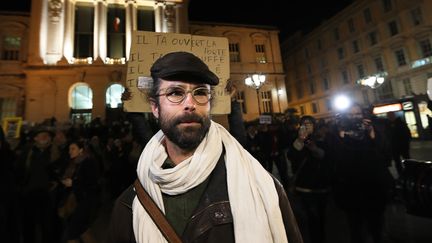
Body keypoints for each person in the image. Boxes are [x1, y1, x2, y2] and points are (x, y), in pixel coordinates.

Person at [107, 51, 303, 243]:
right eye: (175, 92)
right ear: (155, 108)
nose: (190, 103)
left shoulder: (263, 187)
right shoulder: (128, 206)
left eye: (200, 93)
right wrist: (132, 111)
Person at [328, 103, 393, 243]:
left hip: (373, 187)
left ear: (363, 115)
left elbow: (385, 152)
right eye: (351, 114)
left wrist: (371, 133)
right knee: (355, 228)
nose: (354, 117)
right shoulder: (338, 131)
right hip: (351, 189)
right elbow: (334, 156)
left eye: (357, 114)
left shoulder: (373, 128)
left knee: (376, 226)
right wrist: (340, 136)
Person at [287, 116, 331, 243]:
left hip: (321, 187)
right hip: (304, 188)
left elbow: (327, 157)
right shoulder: (296, 140)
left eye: (309, 123)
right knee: (309, 220)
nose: (307, 126)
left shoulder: (322, 138)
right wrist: (300, 141)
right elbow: (291, 156)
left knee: (320, 220)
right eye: (304, 124)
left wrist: (315, 149)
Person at [57, 140, 100, 243]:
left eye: (73, 149)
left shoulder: (88, 162)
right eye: (69, 149)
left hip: (85, 202)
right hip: (76, 202)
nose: (70, 151)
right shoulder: (73, 162)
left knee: (71, 233)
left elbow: (92, 183)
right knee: (82, 231)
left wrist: (73, 183)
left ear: (81, 150)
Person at [386, 111, 411, 178]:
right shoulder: (388, 125)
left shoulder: (400, 123)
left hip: (402, 146)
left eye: (390, 115)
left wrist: (406, 143)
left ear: (394, 116)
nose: (389, 117)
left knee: (406, 160)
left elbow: (407, 134)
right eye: (389, 116)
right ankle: (402, 174)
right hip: (394, 147)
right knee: (398, 162)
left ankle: (409, 172)